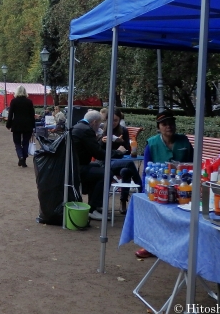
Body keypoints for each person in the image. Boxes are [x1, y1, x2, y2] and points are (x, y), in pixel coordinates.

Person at [136, 109, 194, 258]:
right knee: (154, 212)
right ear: (159, 127)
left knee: (183, 214)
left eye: (171, 123)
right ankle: (149, 245)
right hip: (158, 185)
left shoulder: (184, 141)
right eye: (164, 124)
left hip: (183, 185)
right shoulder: (152, 143)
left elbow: (194, 163)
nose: (169, 126)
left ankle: (181, 246)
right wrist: (145, 189)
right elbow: (146, 169)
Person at [71, 110, 125, 221]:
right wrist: (118, 153)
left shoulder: (77, 126)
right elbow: (98, 153)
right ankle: (93, 208)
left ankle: (94, 204)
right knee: (106, 173)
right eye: (99, 123)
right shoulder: (87, 130)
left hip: (74, 166)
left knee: (97, 168)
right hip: (78, 168)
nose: (100, 126)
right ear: (94, 122)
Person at [100, 108, 143, 214]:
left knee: (126, 171)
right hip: (105, 162)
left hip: (119, 162)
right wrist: (103, 141)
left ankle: (123, 201)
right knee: (129, 164)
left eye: (116, 120)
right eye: (112, 120)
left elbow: (128, 149)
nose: (113, 123)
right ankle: (142, 190)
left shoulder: (123, 130)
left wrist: (122, 142)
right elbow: (98, 151)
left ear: (119, 120)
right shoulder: (102, 130)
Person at [6, 85, 35, 167]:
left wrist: (8, 124)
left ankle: (21, 156)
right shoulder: (29, 101)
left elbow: (11, 114)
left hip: (17, 124)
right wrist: (33, 126)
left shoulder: (14, 101)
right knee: (26, 143)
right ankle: (23, 160)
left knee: (17, 143)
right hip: (27, 124)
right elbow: (32, 114)